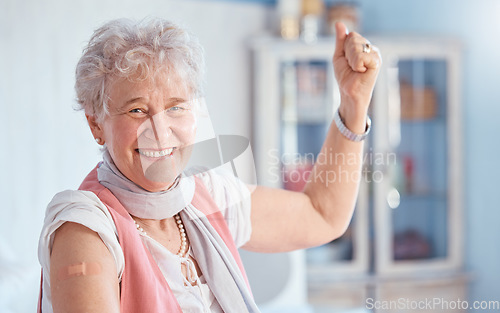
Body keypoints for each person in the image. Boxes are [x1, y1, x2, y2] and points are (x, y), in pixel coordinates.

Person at [37, 17, 380, 313]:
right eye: (137, 110)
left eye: (175, 107)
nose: (160, 131)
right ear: (96, 124)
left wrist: (353, 104)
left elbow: (322, 215)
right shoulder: (85, 228)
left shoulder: (206, 195)